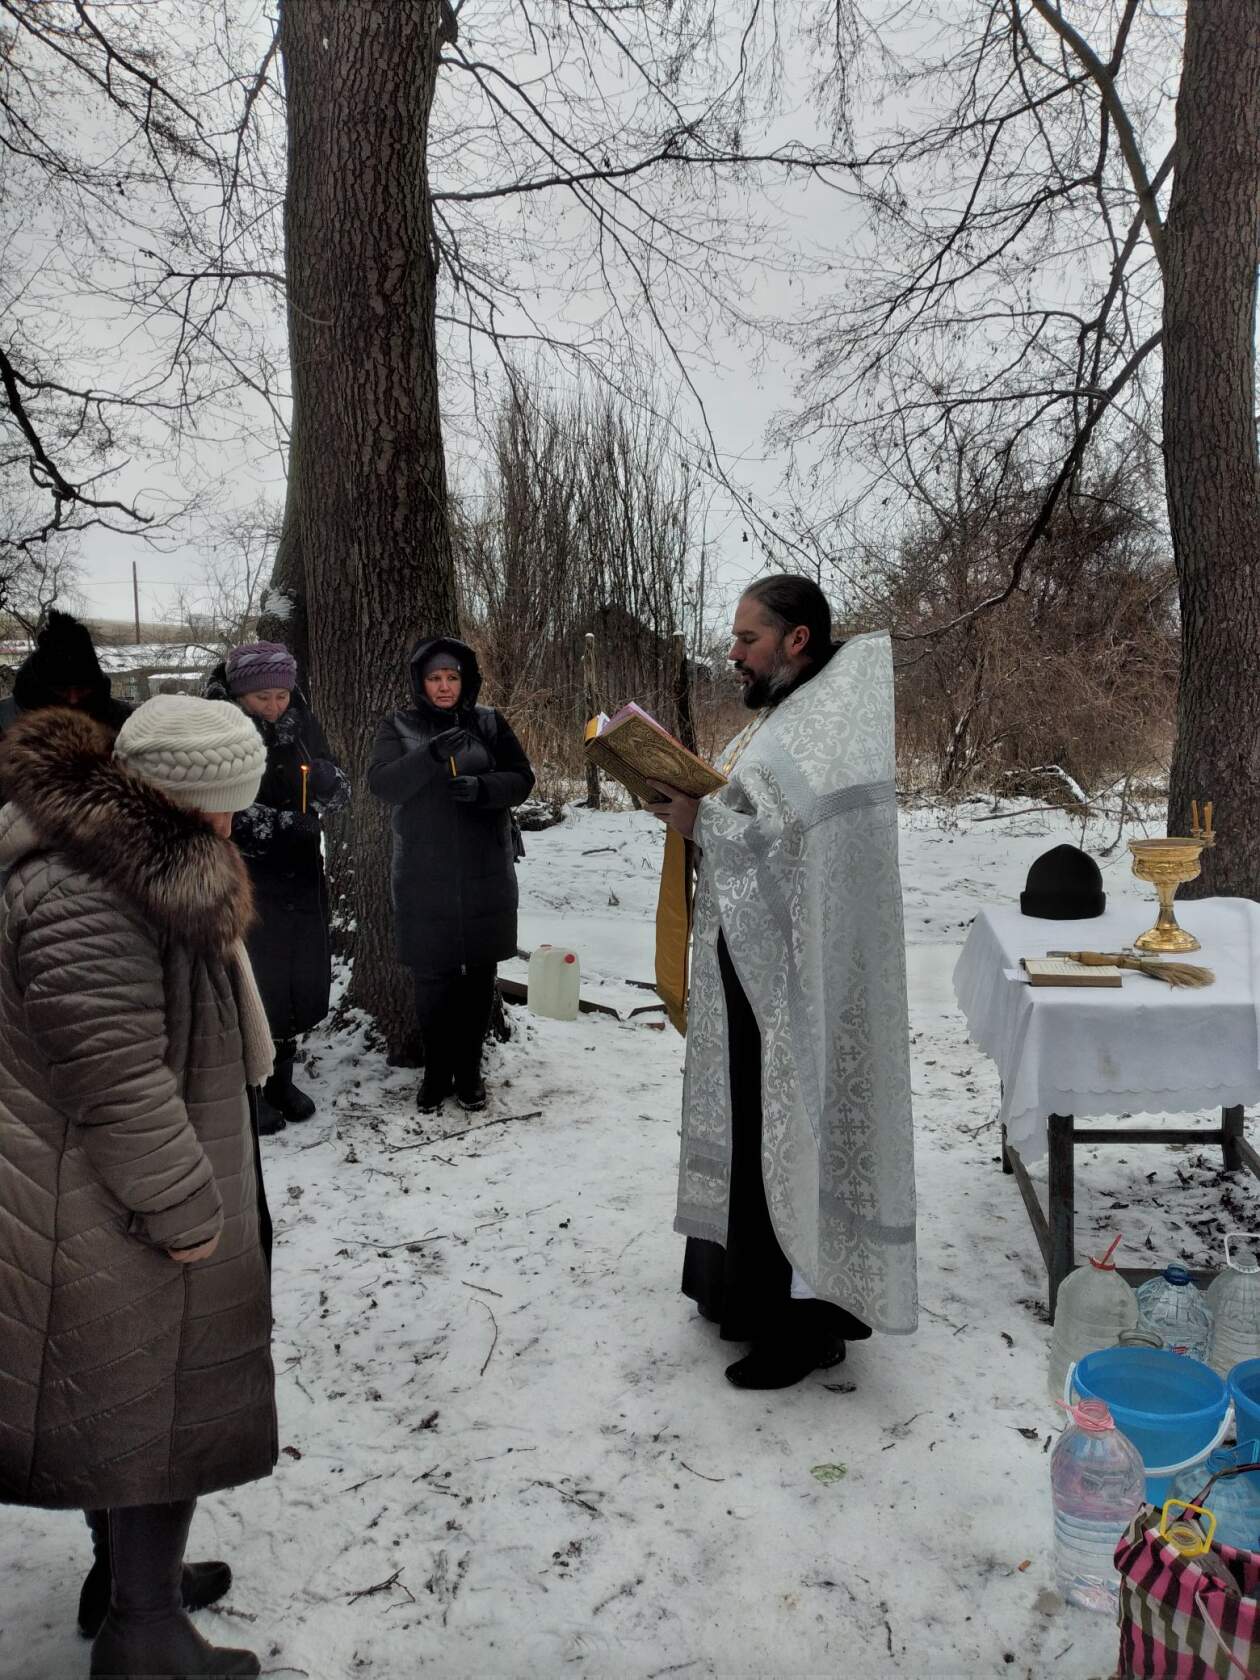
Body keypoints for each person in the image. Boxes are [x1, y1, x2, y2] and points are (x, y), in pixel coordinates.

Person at [0, 694, 276, 1677]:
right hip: (108, 1198)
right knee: (154, 1408)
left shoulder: (110, 849)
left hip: (91, 1186)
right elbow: (114, 1072)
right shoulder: (85, 888)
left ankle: (126, 1581)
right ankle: (145, 1636)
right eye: (219, 809)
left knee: (121, 1406)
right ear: (164, 794)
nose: (230, 827)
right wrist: (184, 1209)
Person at [648, 575, 918, 1389]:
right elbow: (767, 831)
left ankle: (800, 1325)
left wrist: (707, 822)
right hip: (756, 955)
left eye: (747, 640)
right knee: (751, 1121)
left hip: (804, 977)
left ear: (797, 639)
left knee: (790, 1126)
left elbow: (804, 856)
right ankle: (742, 1292)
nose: (733, 654)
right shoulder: (789, 713)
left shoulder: (829, 727)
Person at [368, 636, 534, 1114]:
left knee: (480, 975)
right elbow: (383, 784)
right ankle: (437, 1071)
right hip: (425, 872)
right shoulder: (398, 724)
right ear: (421, 683)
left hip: (484, 869)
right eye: (435, 678)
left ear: (466, 681)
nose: (444, 687)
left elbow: (523, 778)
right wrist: (430, 756)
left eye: (452, 678)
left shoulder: (489, 722)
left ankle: (470, 1071)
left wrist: (483, 788)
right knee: (432, 977)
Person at [206, 642, 349, 1134]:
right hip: (246, 876)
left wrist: (332, 784)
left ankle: (282, 1076)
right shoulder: (219, 729)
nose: (274, 706)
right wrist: (283, 823)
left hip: (301, 873)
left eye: (282, 696)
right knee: (255, 979)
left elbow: (332, 777)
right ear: (242, 694)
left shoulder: (301, 721)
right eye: (263, 697)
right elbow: (216, 805)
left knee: (296, 976)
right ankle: (251, 1087)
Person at [0, 609, 133, 738]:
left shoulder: (125, 720)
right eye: (62, 689)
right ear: (40, 686)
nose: (73, 699)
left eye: (82, 688)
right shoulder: (4, 720)